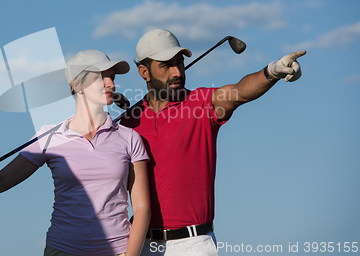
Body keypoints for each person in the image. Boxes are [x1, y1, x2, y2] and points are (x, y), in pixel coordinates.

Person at [120, 29, 306, 256]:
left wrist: (272, 72)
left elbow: (239, 92)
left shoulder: (202, 104)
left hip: (193, 245)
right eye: (166, 65)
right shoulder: (129, 122)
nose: (177, 72)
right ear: (144, 72)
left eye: (180, 63)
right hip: (142, 245)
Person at [0, 49, 151, 256]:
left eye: (112, 77)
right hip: (63, 250)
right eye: (101, 76)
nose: (111, 83)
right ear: (77, 84)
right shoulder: (49, 136)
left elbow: (142, 208)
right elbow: (0, 182)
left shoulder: (129, 137)